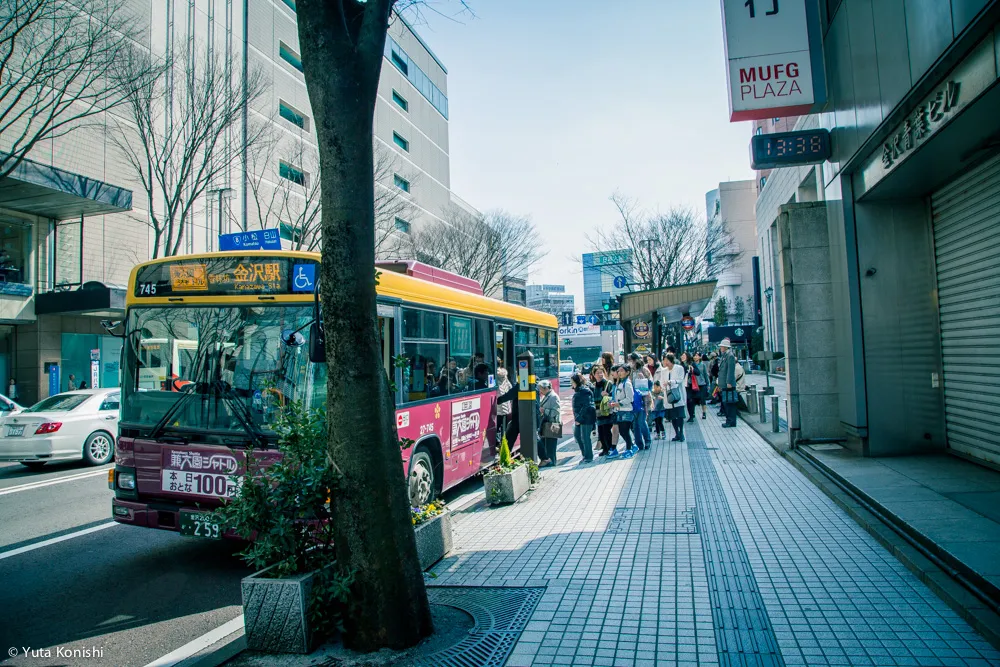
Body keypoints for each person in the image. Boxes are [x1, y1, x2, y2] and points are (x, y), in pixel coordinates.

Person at [610, 365, 637, 458]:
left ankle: (629, 449)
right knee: (622, 431)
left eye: (621, 371)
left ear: (627, 372)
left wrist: (619, 403)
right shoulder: (620, 383)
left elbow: (630, 398)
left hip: (627, 411)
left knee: (625, 431)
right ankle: (632, 447)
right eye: (618, 371)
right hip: (619, 411)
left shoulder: (627, 383)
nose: (619, 373)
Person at [571, 373, 596, 463]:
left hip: (586, 418)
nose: (571, 384)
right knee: (578, 436)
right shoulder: (579, 390)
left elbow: (586, 406)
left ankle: (588, 457)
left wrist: (579, 418)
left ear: (576, 382)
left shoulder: (585, 390)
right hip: (580, 418)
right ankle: (585, 455)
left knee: (585, 437)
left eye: (572, 382)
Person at [628, 355, 652, 451]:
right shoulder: (629, 371)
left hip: (643, 399)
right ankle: (639, 444)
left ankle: (647, 440)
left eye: (630, 360)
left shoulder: (644, 370)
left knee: (641, 421)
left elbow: (650, 384)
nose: (629, 362)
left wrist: (643, 379)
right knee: (635, 424)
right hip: (633, 400)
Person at [663, 353, 687, 441]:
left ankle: (681, 432)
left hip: (678, 394)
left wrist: (671, 382)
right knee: (672, 416)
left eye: (666, 360)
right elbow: (662, 381)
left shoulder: (679, 368)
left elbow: (681, 379)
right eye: (664, 360)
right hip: (668, 395)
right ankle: (676, 433)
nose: (665, 362)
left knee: (680, 415)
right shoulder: (664, 371)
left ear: (670, 360)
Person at [537, 380, 561, 467]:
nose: (540, 391)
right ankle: (549, 462)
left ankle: (552, 463)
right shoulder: (548, 396)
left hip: (553, 424)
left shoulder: (553, 397)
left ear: (546, 388)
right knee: (546, 445)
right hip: (548, 423)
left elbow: (556, 412)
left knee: (551, 446)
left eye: (541, 389)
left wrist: (544, 410)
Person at [593, 365, 615, 457]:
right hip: (598, 413)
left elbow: (614, 396)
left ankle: (609, 448)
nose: (600, 374)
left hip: (607, 412)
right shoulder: (594, 386)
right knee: (601, 432)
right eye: (597, 373)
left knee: (606, 431)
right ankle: (605, 449)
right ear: (594, 375)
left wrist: (608, 394)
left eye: (601, 372)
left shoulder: (608, 384)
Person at [718, 338, 739, 428]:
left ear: (725, 347)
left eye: (722, 346)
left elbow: (730, 370)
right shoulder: (724, 355)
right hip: (724, 384)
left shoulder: (730, 356)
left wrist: (729, 382)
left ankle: (731, 421)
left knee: (729, 403)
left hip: (728, 384)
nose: (721, 348)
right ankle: (729, 420)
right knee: (726, 402)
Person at [682, 352, 702, 423]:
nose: (682, 357)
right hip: (682, 385)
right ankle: (689, 414)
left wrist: (692, 369)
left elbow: (698, 372)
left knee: (690, 400)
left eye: (684, 355)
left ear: (687, 356)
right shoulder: (680, 365)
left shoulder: (691, 364)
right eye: (682, 356)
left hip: (689, 385)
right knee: (687, 400)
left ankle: (691, 415)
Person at [496, 367, 512, 440]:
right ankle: (503, 441)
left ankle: (498, 441)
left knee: (497, 426)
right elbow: (510, 388)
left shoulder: (495, 379)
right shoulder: (505, 378)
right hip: (506, 407)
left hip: (498, 407)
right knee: (505, 427)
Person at [693, 352, 709, 420]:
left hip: (702, 384)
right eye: (694, 356)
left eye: (697, 356)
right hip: (694, 385)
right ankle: (693, 413)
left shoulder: (703, 365)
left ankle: (704, 413)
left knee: (703, 400)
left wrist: (708, 384)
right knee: (693, 399)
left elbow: (705, 374)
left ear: (700, 357)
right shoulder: (692, 365)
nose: (695, 357)